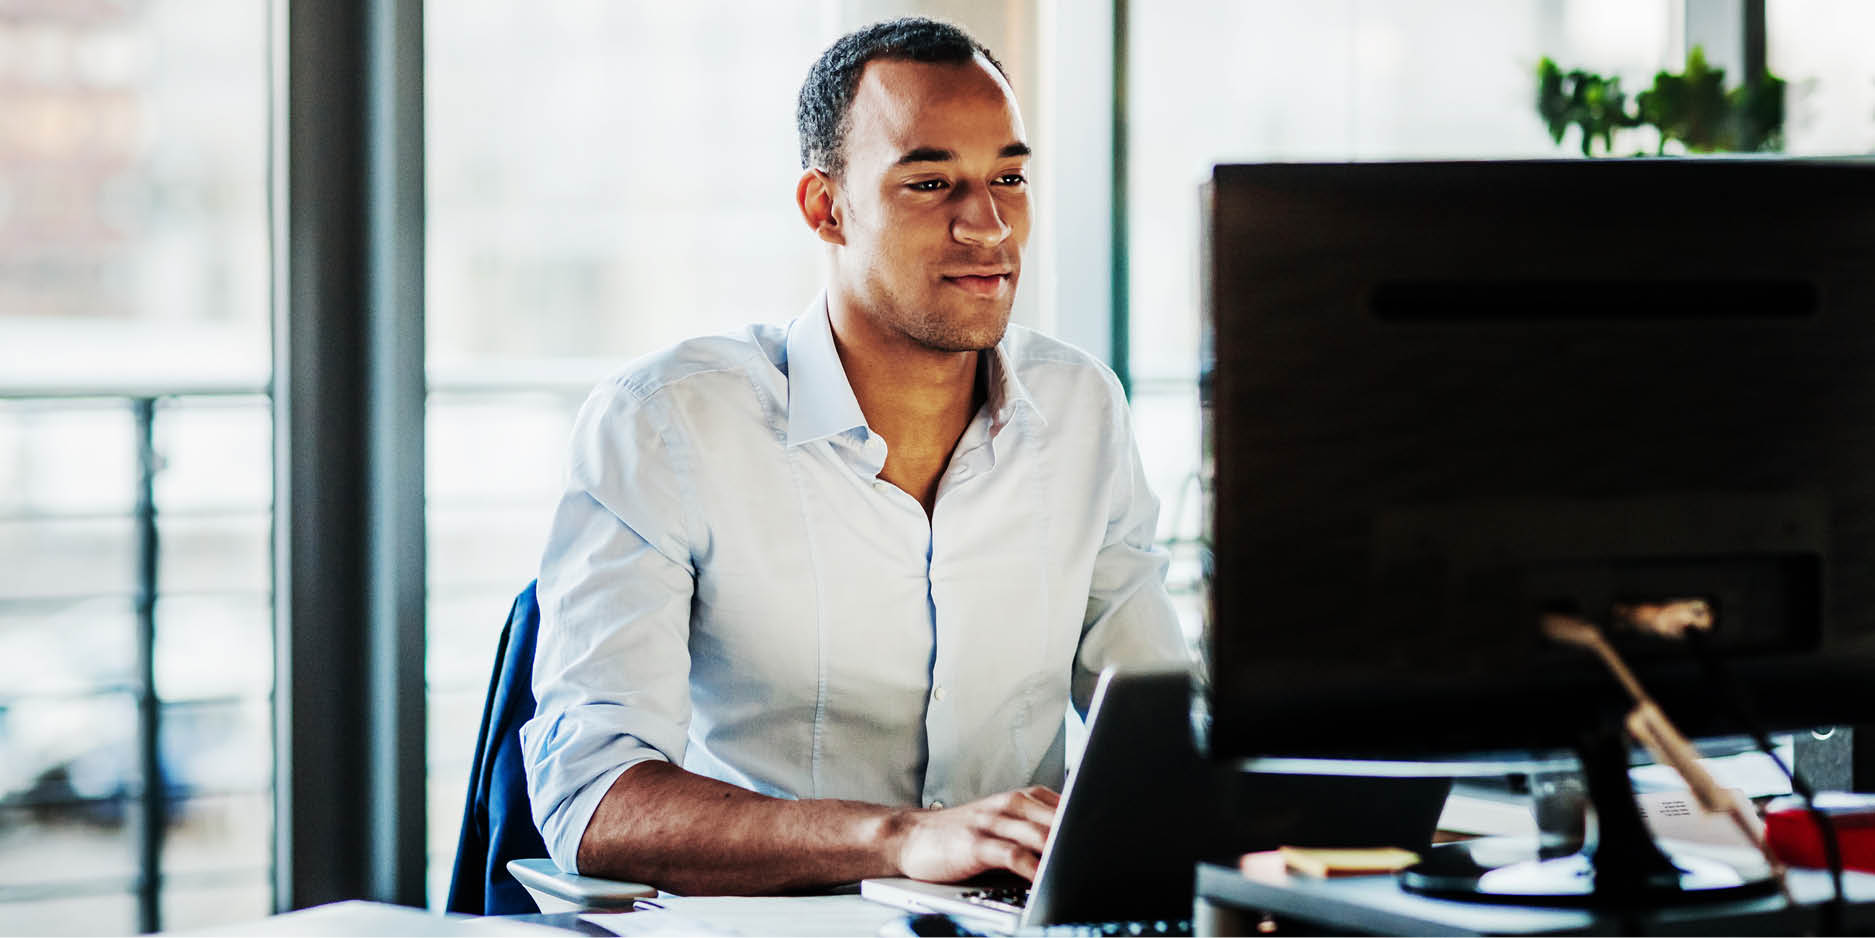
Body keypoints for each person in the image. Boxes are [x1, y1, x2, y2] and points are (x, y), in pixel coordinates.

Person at [521, 17, 1187, 897]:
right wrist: (901, 839)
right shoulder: (666, 423)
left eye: (1009, 178)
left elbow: (1161, 726)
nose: (987, 224)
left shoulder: (1079, 408)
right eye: (929, 182)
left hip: (1021, 920)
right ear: (826, 207)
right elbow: (594, 802)